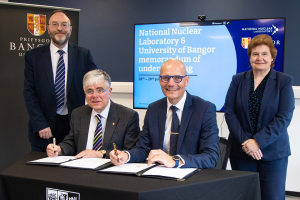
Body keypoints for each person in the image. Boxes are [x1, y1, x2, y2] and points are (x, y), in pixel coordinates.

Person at [110, 59, 219, 168]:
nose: (171, 83)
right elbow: (143, 148)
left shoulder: (204, 109)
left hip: (189, 176)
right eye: (166, 78)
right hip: (158, 174)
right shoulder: (153, 109)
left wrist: (175, 161)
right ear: (159, 80)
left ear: (187, 80)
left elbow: (210, 157)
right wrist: (126, 155)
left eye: (177, 78)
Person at [224, 34, 294, 200]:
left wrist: (258, 142)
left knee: (272, 196)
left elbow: (283, 117)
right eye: (255, 54)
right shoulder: (238, 80)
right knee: (244, 195)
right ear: (250, 57)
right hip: (242, 151)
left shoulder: (283, 81)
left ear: (272, 58)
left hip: (273, 153)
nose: (259, 58)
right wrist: (247, 143)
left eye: (264, 54)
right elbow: (230, 111)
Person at [23, 10, 98, 152]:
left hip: (74, 126)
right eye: (55, 24)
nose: (60, 28)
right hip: (44, 128)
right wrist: (40, 123)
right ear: (48, 28)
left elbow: (95, 84)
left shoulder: (84, 54)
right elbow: (29, 93)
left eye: (64, 25)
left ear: (70, 29)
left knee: (71, 172)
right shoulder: (33, 56)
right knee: (42, 171)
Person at [46, 69, 140, 158]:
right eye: (89, 91)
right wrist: (59, 149)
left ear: (110, 91)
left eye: (100, 90)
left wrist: (101, 153)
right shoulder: (78, 113)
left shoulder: (128, 116)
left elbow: (130, 151)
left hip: (110, 168)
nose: (95, 96)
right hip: (82, 168)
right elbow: (71, 142)